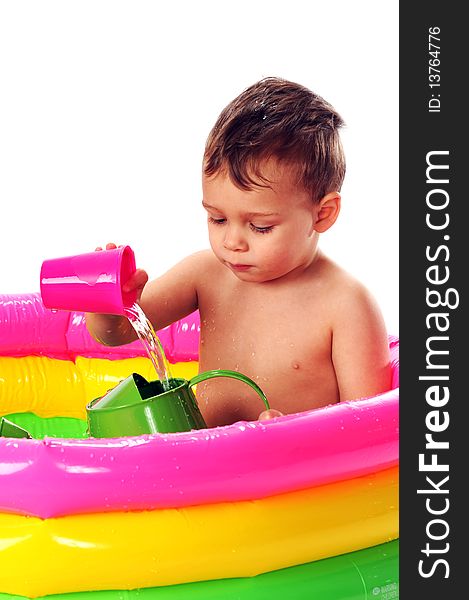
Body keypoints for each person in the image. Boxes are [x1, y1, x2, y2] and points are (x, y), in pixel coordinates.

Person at [86, 77, 391, 428]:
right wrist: (110, 304)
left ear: (322, 214)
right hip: (204, 469)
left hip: (294, 477)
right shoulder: (206, 274)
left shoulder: (346, 305)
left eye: (260, 227)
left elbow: (369, 427)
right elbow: (117, 335)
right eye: (217, 218)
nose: (232, 242)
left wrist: (294, 437)